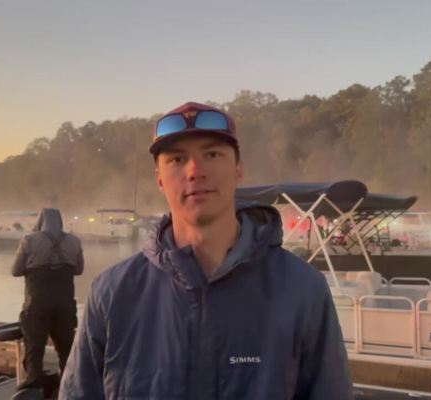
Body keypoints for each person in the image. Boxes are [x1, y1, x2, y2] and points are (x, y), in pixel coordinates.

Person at [60, 102, 353, 399]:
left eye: (212, 154)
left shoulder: (303, 290)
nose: (195, 171)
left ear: (238, 169)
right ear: (159, 178)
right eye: (177, 159)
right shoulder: (111, 295)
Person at [12, 208, 84, 392]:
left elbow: (15, 271)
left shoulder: (29, 240)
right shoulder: (74, 241)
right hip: (65, 302)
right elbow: (78, 270)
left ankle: (33, 382)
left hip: (37, 301)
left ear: (40, 221)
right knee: (66, 346)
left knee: (34, 344)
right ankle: (68, 384)